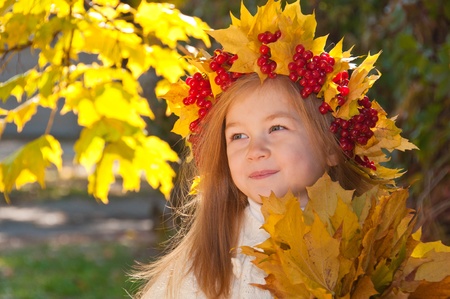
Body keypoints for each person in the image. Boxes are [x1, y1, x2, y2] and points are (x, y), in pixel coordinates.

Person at [132, 0, 415, 298]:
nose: (256, 150)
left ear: (333, 145)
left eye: (276, 128)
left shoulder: (369, 242)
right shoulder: (205, 262)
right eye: (238, 136)